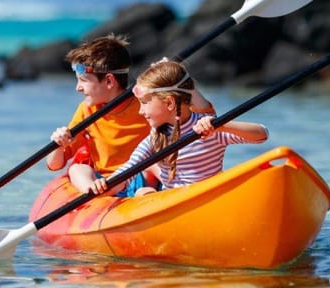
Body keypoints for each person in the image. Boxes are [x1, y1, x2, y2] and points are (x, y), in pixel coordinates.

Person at [46, 34, 213, 197]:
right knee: (77, 169)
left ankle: (147, 197)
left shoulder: (145, 104)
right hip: (105, 182)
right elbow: (55, 165)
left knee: (152, 167)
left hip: (142, 178)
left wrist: (180, 80)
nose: (78, 88)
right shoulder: (86, 110)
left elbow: (206, 118)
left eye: (83, 80)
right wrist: (58, 145)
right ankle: (93, 195)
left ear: (109, 81)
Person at [85, 60, 268, 196]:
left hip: (207, 198)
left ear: (170, 102)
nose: (141, 111)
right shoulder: (155, 137)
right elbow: (128, 170)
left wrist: (221, 125)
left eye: (145, 103)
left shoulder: (209, 128)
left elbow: (262, 135)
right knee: (143, 193)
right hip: (173, 201)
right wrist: (103, 185)